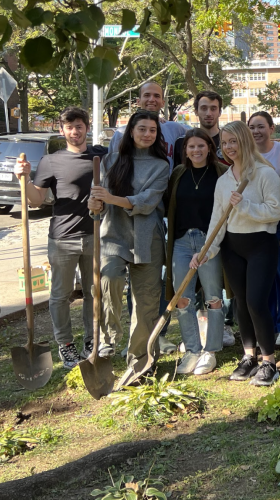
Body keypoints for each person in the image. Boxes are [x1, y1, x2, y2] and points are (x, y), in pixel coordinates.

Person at [192, 121, 280, 385]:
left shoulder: (265, 174)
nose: (229, 147)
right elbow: (217, 220)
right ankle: (249, 357)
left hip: (261, 246)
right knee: (241, 304)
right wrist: (205, 251)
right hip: (233, 248)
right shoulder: (223, 181)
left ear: (245, 141)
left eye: (233, 141)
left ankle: (269, 362)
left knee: (257, 302)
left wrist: (245, 205)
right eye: (224, 142)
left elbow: (276, 211)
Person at [14, 107, 107, 369]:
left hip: (95, 236)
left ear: (87, 128)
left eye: (79, 126)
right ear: (61, 130)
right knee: (60, 295)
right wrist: (23, 179)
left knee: (93, 292)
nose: (74, 131)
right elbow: (36, 200)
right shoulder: (51, 161)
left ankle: (92, 339)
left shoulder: (101, 155)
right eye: (69, 127)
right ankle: (65, 344)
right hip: (62, 238)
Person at [89, 111, 170, 373]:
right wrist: (94, 204)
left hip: (148, 239)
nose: (147, 134)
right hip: (114, 235)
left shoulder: (161, 166)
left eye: (152, 130)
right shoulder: (111, 160)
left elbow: (147, 202)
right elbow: (97, 206)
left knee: (145, 302)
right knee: (109, 277)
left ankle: (140, 363)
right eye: (142, 129)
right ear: (131, 131)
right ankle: (109, 337)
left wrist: (111, 199)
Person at [165, 129, 230, 375]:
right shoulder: (178, 174)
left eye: (201, 146)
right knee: (183, 298)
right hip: (181, 242)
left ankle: (210, 351)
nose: (196, 151)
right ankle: (192, 350)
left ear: (209, 148)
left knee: (213, 297)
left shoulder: (221, 173)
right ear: (185, 151)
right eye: (191, 147)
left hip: (209, 242)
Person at [249, 111, 280, 347]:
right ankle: (266, 325)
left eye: (260, 126)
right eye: (252, 127)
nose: (256, 131)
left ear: (271, 128)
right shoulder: (247, 155)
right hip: (257, 221)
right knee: (263, 276)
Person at [109, 82, 188, 170]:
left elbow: (199, 136)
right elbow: (112, 167)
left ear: (163, 102)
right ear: (138, 101)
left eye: (157, 96)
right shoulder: (121, 133)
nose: (151, 99)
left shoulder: (174, 128)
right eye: (147, 95)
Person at [173, 91, 225, 166]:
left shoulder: (228, 142)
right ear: (196, 111)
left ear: (220, 112)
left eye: (213, 109)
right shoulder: (181, 142)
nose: (209, 114)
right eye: (204, 108)